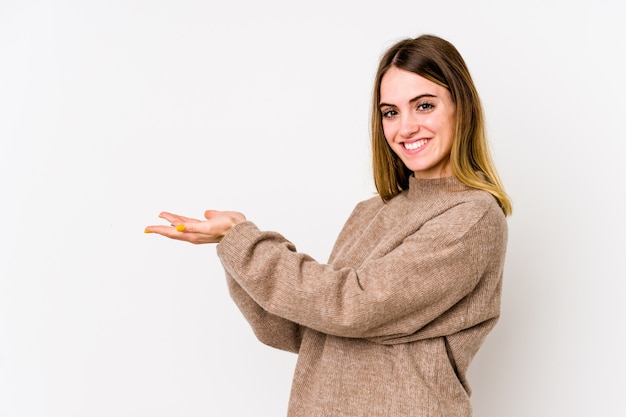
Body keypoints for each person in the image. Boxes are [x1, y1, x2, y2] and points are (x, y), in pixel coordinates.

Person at [145, 34, 512, 417]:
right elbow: (301, 329)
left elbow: (352, 307)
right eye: (390, 112)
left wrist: (247, 244)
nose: (406, 127)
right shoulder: (370, 212)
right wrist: (231, 245)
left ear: (462, 107)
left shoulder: (473, 216)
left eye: (424, 105)